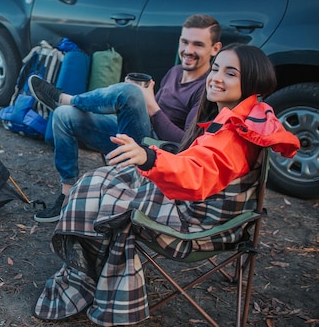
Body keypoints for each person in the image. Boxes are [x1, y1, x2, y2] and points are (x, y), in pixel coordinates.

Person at [33, 43, 300, 326]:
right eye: (217, 68)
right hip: (185, 183)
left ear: (251, 81)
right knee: (101, 180)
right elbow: (195, 157)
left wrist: (149, 156)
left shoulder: (232, 132)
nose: (217, 77)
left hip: (194, 223)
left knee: (100, 187)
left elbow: (197, 172)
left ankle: (83, 274)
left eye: (230, 73)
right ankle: (85, 266)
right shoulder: (238, 115)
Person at [30, 14, 223, 222]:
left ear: (215, 49)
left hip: (156, 153)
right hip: (139, 135)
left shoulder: (207, 91)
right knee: (63, 115)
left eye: (198, 45)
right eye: (185, 42)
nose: (188, 50)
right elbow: (149, 115)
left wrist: (149, 105)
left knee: (131, 93)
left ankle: (66, 98)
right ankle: (67, 196)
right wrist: (133, 106)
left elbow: (186, 144)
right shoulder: (176, 71)